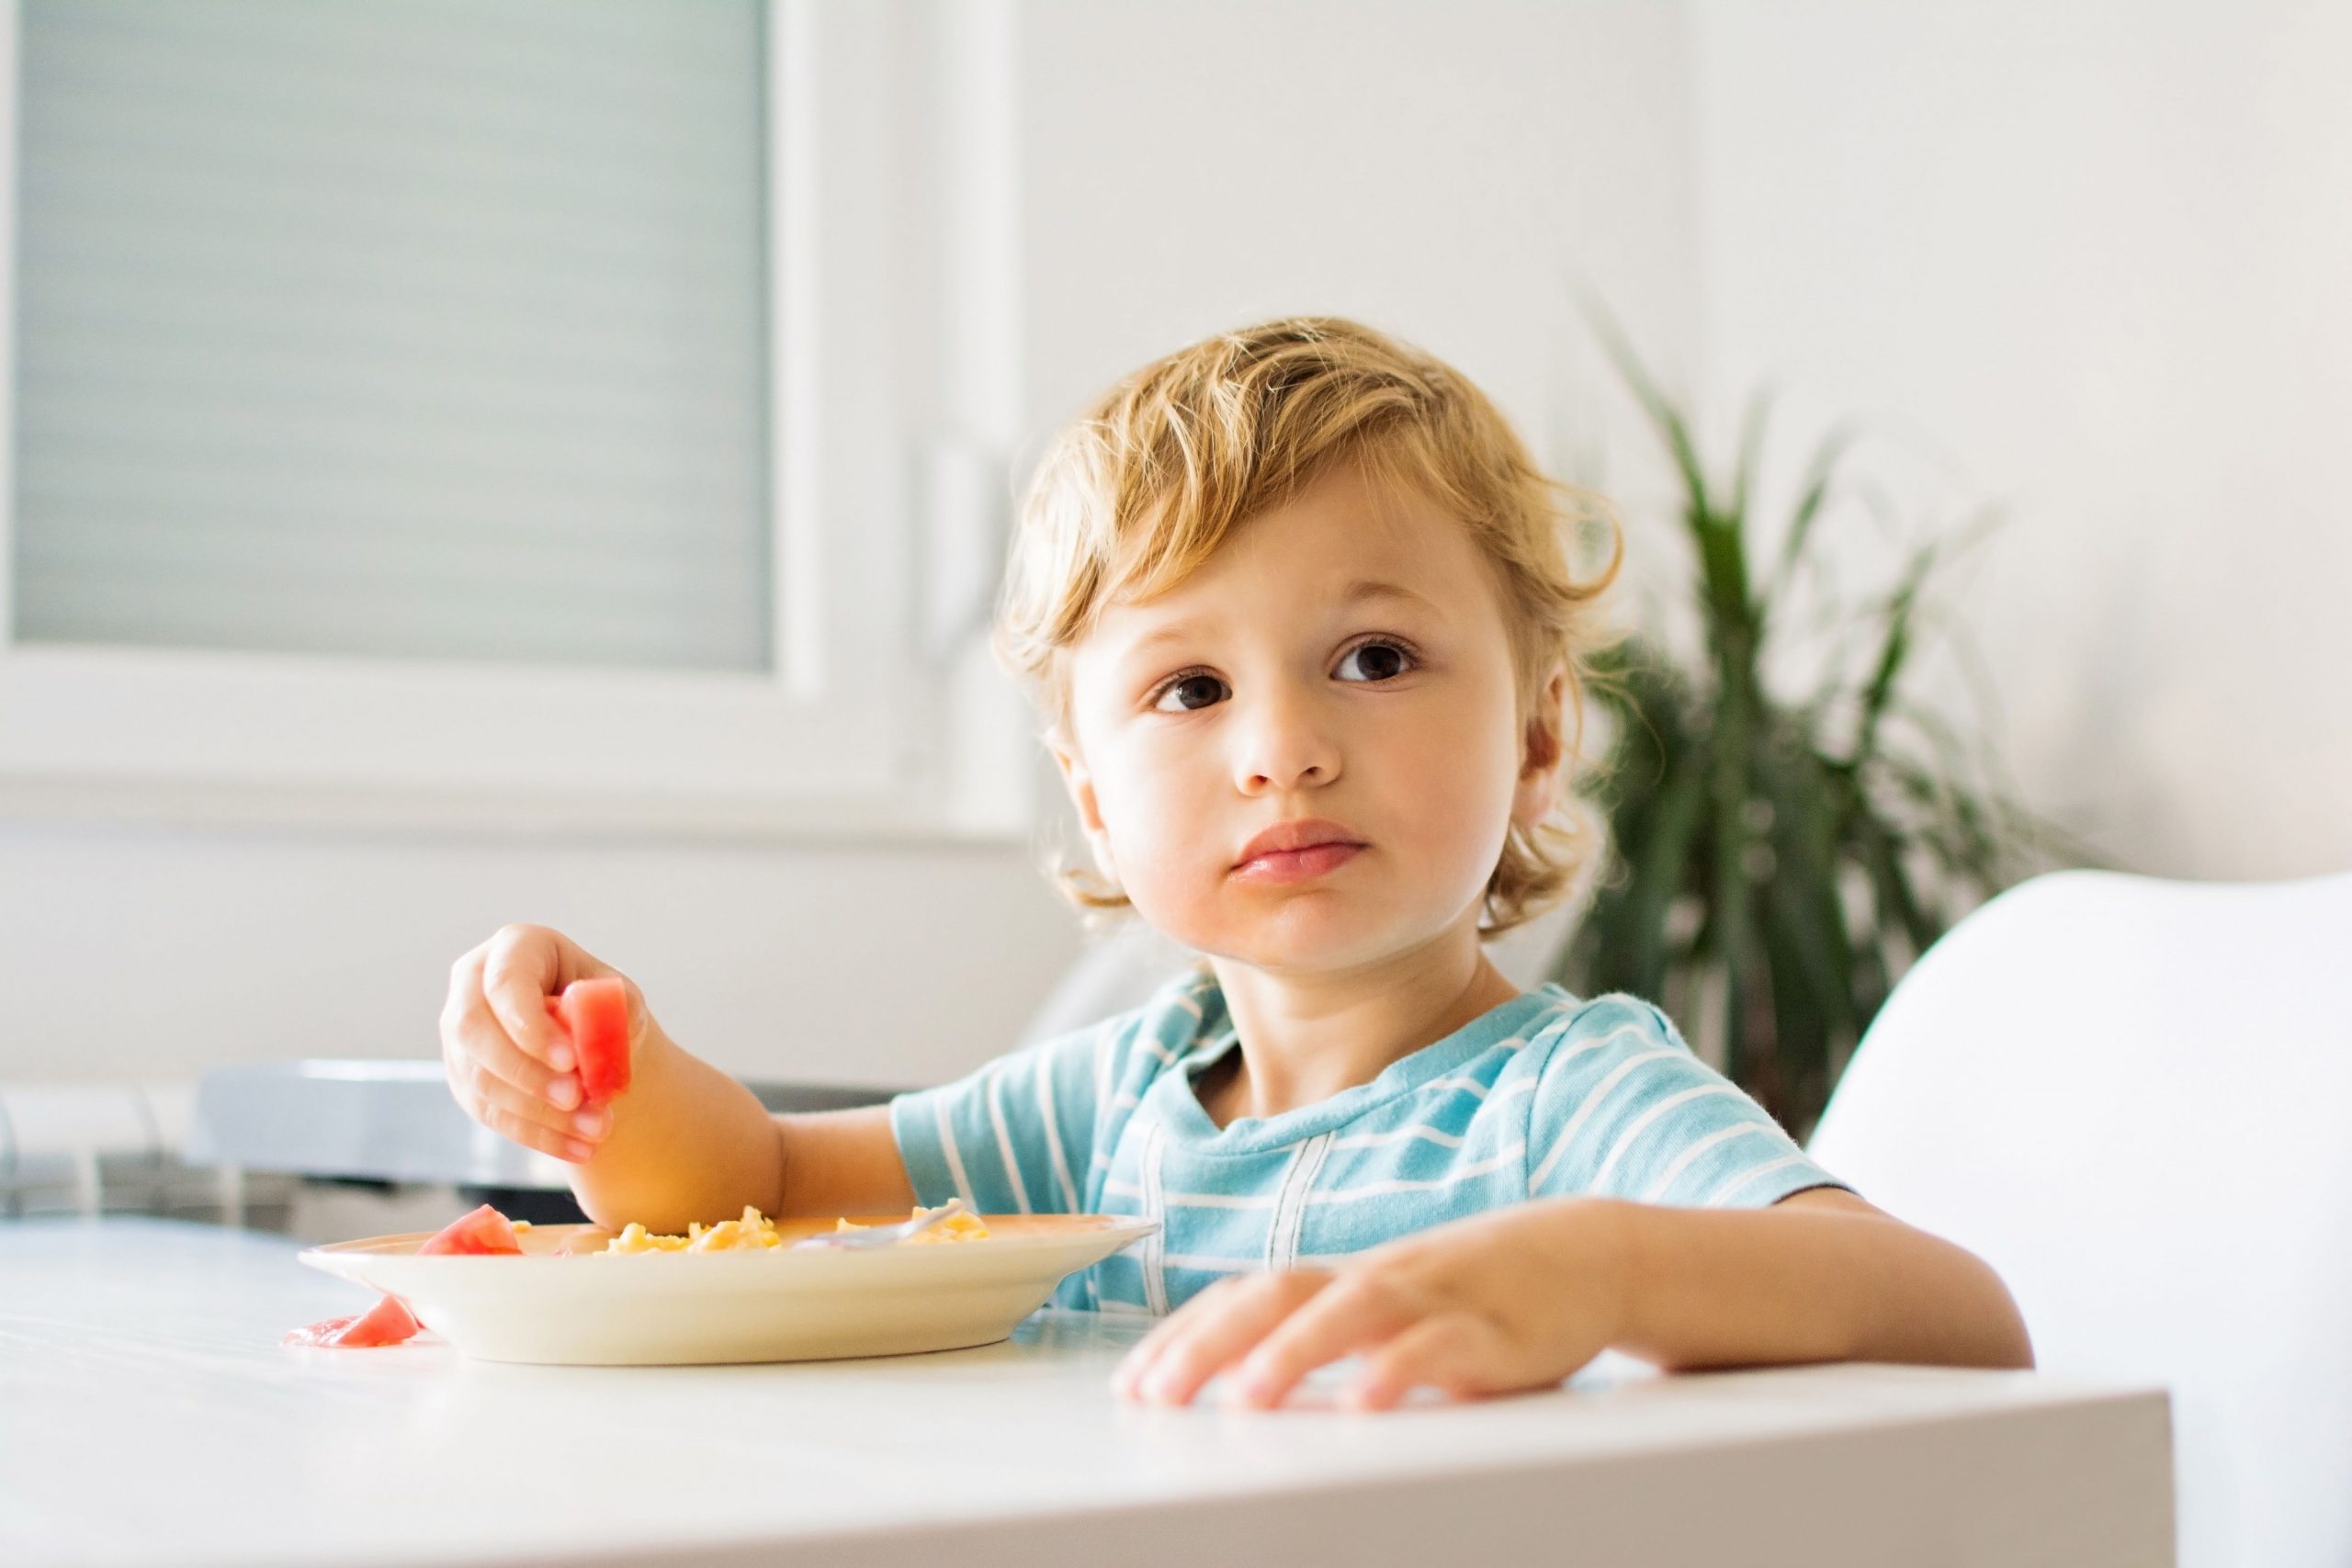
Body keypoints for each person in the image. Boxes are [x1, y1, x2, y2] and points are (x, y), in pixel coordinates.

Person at [440, 317, 2031, 1409]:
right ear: (1095, 797)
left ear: (1542, 736)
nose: (1280, 747)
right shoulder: (1098, 1104)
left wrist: (1600, 1265)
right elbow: (768, 1189)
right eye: (1190, 691)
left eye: (1377, 656)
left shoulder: (1571, 1100)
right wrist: (605, 1076)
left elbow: (1958, 1321)